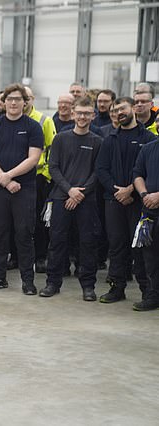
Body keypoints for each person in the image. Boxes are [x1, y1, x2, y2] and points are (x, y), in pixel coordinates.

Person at [0, 83, 44, 295]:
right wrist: (5, 180)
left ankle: (28, 281)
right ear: (3, 102)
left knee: (24, 234)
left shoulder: (34, 127)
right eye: (10, 99)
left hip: (24, 188)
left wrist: (10, 176)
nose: (14, 102)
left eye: (18, 99)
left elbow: (33, 158)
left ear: (25, 103)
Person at [40, 97, 102, 301]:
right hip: (61, 198)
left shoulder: (97, 141)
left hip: (86, 200)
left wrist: (80, 193)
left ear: (93, 116)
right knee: (57, 241)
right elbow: (53, 168)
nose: (82, 116)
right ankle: (52, 283)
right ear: (73, 114)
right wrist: (70, 190)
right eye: (79, 112)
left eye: (87, 113)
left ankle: (88, 286)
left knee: (87, 243)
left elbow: (98, 172)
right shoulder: (61, 139)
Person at [95, 97, 155, 303]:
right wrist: (117, 191)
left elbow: (148, 172)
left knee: (140, 247)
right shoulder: (109, 139)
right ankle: (117, 288)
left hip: (139, 202)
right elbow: (101, 169)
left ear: (133, 109)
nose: (118, 112)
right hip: (113, 201)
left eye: (122, 108)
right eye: (115, 110)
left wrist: (130, 191)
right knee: (116, 245)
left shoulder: (148, 139)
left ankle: (148, 291)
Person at [24, 86, 57, 273]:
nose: (25, 101)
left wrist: (46, 176)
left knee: (38, 220)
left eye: (27, 98)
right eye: (22, 98)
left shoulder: (45, 120)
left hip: (38, 177)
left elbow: (52, 150)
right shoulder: (12, 120)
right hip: (17, 177)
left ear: (32, 99)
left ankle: (41, 256)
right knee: (20, 221)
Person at [132, 135, 159, 311]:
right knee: (150, 259)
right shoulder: (148, 148)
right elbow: (138, 174)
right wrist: (144, 194)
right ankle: (153, 296)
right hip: (149, 212)